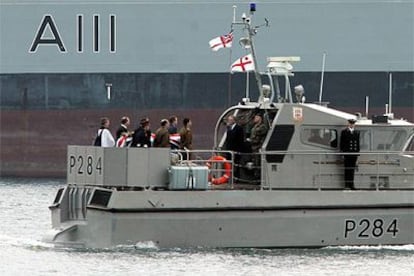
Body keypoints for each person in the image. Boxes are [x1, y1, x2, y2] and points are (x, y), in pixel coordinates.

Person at [340, 118, 360, 190]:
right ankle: (346, 185)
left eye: (353, 123)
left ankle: (352, 184)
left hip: (354, 154)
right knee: (347, 169)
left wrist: (357, 154)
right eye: (351, 123)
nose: (352, 125)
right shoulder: (344, 132)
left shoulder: (357, 132)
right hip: (347, 153)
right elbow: (342, 143)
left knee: (352, 170)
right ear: (348, 124)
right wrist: (342, 153)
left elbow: (357, 144)